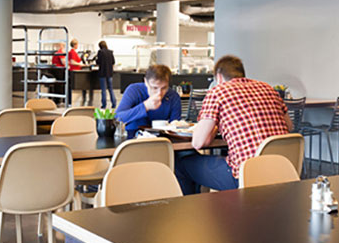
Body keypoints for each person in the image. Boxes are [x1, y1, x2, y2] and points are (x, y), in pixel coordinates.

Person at [176, 55, 291, 195]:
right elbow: (289, 126)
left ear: (219, 77)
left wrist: (215, 127)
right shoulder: (269, 89)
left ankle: (191, 207)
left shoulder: (218, 92)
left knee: (182, 164)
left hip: (246, 175)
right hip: (282, 171)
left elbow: (198, 143)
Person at [115, 64, 182, 138]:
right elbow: (118, 118)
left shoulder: (173, 96)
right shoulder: (134, 90)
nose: (159, 93)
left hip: (161, 139)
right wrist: (145, 106)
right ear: (146, 82)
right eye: (155, 88)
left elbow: (175, 127)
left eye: (164, 88)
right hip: (133, 137)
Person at [96, 40, 115, 108]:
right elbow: (113, 62)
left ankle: (104, 105)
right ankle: (114, 104)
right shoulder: (110, 52)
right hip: (110, 73)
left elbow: (98, 62)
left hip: (102, 73)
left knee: (103, 90)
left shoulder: (100, 52)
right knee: (111, 89)